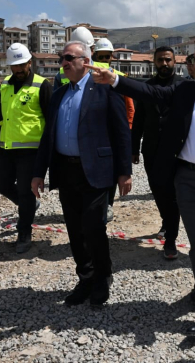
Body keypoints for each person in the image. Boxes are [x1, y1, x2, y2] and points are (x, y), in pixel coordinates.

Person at [88, 41, 195, 337]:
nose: (194, 64)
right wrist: (115, 80)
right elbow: (150, 92)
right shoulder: (184, 90)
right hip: (187, 179)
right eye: (192, 59)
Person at [31, 41, 132, 308]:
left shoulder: (105, 89)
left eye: (68, 57)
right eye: (61, 58)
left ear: (85, 61)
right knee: (74, 229)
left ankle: (102, 277)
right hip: (66, 171)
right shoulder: (58, 94)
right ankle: (85, 278)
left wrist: (124, 171)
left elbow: (122, 132)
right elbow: (48, 137)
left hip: (96, 170)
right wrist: (38, 173)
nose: (63, 63)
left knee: (93, 226)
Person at [0, 43, 51, 254]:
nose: (17, 70)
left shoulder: (42, 85)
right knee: (2, 184)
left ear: (29, 63)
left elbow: (50, 120)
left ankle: (24, 233)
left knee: (26, 192)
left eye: (21, 65)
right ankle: (29, 206)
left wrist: (48, 150)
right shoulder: (4, 85)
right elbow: (0, 116)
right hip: (7, 147)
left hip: (31, 150)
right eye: (13, 66)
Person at [131, 46, 184, 259]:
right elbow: (139, 120)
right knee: (158, 191)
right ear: (154, 62)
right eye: (160, 60)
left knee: (173, 194)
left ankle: (171, 240)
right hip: (151, 150)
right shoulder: (147, 87)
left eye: (168, 60)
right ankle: (166, 221)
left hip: (177, 151)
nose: (164, 64)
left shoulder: (184, 86)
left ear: (175, 62)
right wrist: (134, 148)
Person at [92, 37, 134, 222]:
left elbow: (129, 107)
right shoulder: (88, 77)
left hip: (114, 132)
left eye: (106, 57)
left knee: (113, 170)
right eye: (100, 57)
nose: (103, 60)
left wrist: (127, 129)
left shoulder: (120, 78)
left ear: (111, 57)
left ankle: (108, 204)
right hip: (95, 131)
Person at [53, 27, 95, 91]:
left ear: (92, 51)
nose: (64, 63)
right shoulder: (60, 75)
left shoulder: (103, 71)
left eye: (86, 50)